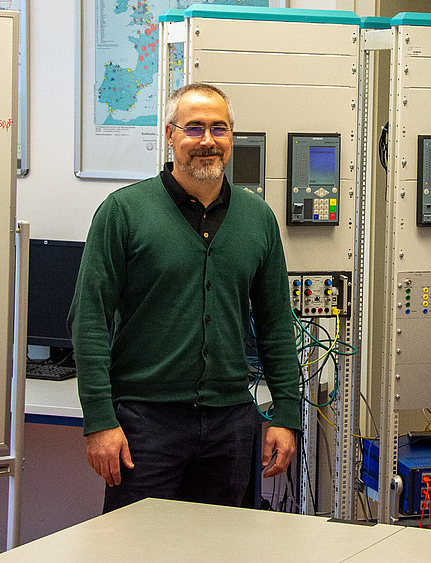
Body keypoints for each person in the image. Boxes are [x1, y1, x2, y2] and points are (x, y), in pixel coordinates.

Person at [68, 83, 301, 513]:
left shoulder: (258, 218)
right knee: (136, 542)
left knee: (217, 542)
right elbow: (89, 320)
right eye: (194, 128)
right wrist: (99, 420)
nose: (207, 140)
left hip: (231, 424)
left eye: (219, 128)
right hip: (146, 424)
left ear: (231, 137)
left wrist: (286, 413)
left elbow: (275, 325)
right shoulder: (123, 212)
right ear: (170, 135)